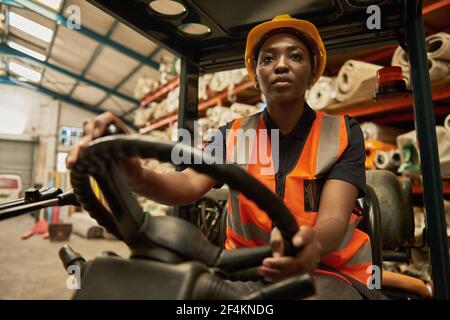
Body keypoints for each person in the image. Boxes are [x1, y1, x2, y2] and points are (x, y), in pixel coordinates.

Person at [67, 14, 371, 299]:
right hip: (243, 271)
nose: (281, 65)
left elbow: (334, 216)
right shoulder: (234, 133)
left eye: (295, 56)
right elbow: (187, 185)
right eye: (268, 58)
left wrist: (312, 246)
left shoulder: (342, 132)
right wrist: (137, 174)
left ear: (313, 73)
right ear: (255, 76)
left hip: (327, 270)